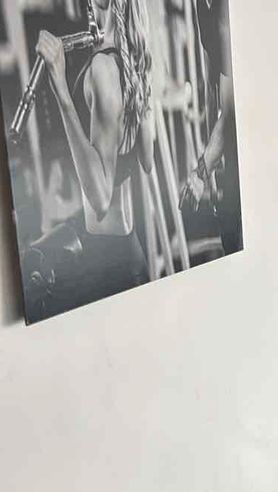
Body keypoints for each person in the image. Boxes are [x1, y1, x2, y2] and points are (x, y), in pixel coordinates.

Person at [36, 0, 155, 306]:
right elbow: (147, 159)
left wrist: (61, 89)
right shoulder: (131, 59)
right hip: (129, 252)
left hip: (111, 265)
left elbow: (100, 200)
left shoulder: (102, 67)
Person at [179, 0, 242, 255]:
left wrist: (201, 172)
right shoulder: (204, 7)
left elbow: (230, 113)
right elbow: (212, 90)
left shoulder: (225, 10)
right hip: (231, 144)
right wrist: (210, 177)